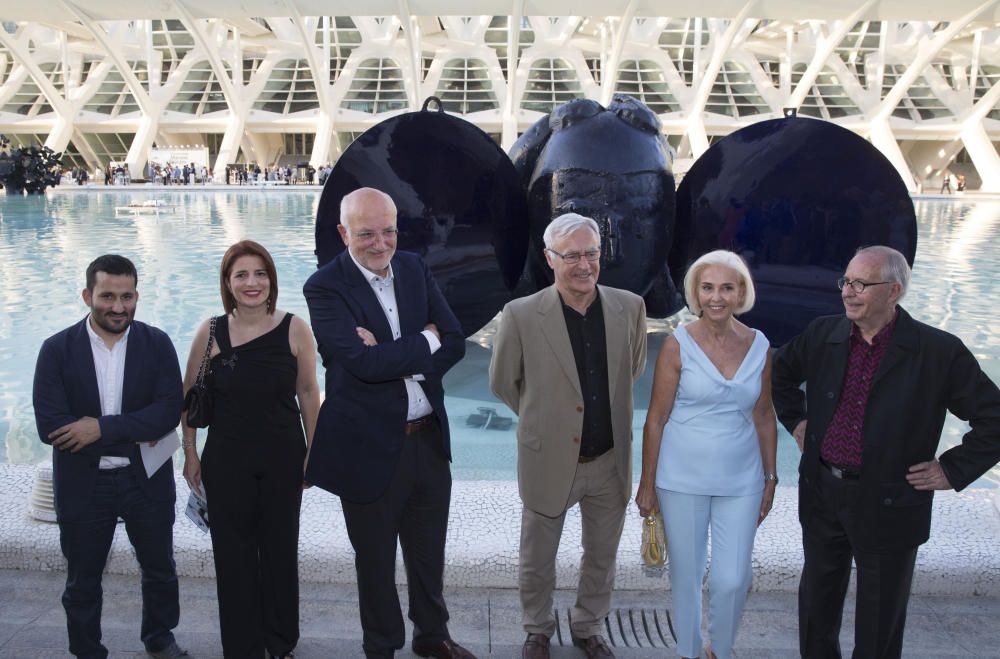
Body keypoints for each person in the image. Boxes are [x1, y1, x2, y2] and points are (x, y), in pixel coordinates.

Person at [772, 245, 1000, 659]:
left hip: (890, 500)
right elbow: (779, 373)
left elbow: (994, 417)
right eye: (846, 281)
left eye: (861, 284)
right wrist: (797, 421)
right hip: (824, 492)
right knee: (816, 609)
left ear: (893, 291)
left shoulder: (938, 351)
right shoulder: (824, 334)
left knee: (879, 623)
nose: (848, 292)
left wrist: (953, 469)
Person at [303, 187, 473, 659]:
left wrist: (393, 352)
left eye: (388, 231)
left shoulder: (416, 267)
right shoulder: (324, 286)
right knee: (374, 561)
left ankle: (432, 637)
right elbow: (361, 363)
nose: (380, 243)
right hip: (369, 448)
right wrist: (425, 340)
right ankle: (381, 646)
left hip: (428, 441)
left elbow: (456, 339)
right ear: (343, 233)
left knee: (427, 553)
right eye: (366, 233)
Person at [489, 213, 647, 659]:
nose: (584, 264)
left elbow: (631, 370)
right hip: (548, 458)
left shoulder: (630, 307)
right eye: (572, 255)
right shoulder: (520, 314)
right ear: (549, 258)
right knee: (537, 559)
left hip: (609, 459)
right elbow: (504, 381)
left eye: (592, 253)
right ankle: (537, 628)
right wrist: (547, 420)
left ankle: (588, 625)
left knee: (602, 557)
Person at [32, 254, 187, 659]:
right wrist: (134, 426)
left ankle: (160, 637)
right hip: (85, 483)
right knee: (83, 579)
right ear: (87, 296)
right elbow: (52, 426)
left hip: (147, 480)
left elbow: (168, 412)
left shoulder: (157, 344)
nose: (118, 307)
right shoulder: (56, 350)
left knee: (160, 569)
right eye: (107, 296)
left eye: (127, 296)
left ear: (137, 296)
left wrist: (99, 428)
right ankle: (87, 650)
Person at [635, 250, 777, 659]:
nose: (716, 297)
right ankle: (690, 651)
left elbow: (764, 415)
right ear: (696, 293)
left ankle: (720, 646)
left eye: (727, 288)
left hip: (742, 479)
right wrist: (647, 484)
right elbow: (656, 419)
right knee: (686, 574)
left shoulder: (760, 346)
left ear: (741, 293)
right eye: (708, 287)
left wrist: (770, 477)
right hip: (681, 477)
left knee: (733, 578)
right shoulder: (677, 344)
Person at [181, 240, 319, 659]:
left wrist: (316, 450)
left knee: (280, 550)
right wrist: (190, 453)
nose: (252, 282)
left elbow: (309, 393)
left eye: (260, 273)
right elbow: (189, 396)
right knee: (233, 555)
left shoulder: (295, 327)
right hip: (226, 460)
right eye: (241, 274)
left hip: (283, 457)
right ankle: (241, 646)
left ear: (272, 279)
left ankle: (280, 642)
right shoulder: (211, 331)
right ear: (227, 282)